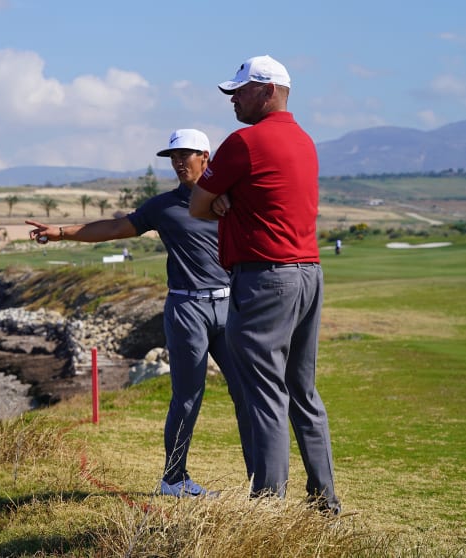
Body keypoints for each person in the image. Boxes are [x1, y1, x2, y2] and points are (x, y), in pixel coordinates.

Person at [27, 129, 253, 497]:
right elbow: (116, 227)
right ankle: (174, 480)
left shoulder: (231, 200)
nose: (179, 162)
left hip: (230, 306)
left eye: (186, 155)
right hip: (186, 308)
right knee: (187, 395)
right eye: (173, 157)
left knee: (245, 392)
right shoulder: (162, 207)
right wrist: (63, 232)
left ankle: (259, 482)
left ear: (206, 158)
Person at [188, 55, 341, 514]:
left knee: (264, 393)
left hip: (264, 279)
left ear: (269, 91)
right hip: (308, 273)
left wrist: (221, 200)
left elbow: (197, 204)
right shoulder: (305, 140)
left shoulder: (244, 142)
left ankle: (267, 510)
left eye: (241, 90)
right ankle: (323, 502)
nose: (233, 98)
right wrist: (226, 199)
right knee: (303, 392)